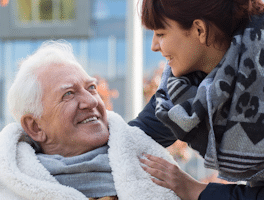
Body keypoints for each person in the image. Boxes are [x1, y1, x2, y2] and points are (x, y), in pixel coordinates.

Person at [129, 0, 264, 199]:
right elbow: (135, 136)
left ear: (200, 30)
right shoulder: (188, 81)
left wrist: (193, 189)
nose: (154, 46)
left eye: (160, 34)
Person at [0, 41, 179, 200]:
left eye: (91, 87)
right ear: (35, 127)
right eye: (68, 93)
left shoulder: (151, 166)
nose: (92, 101)